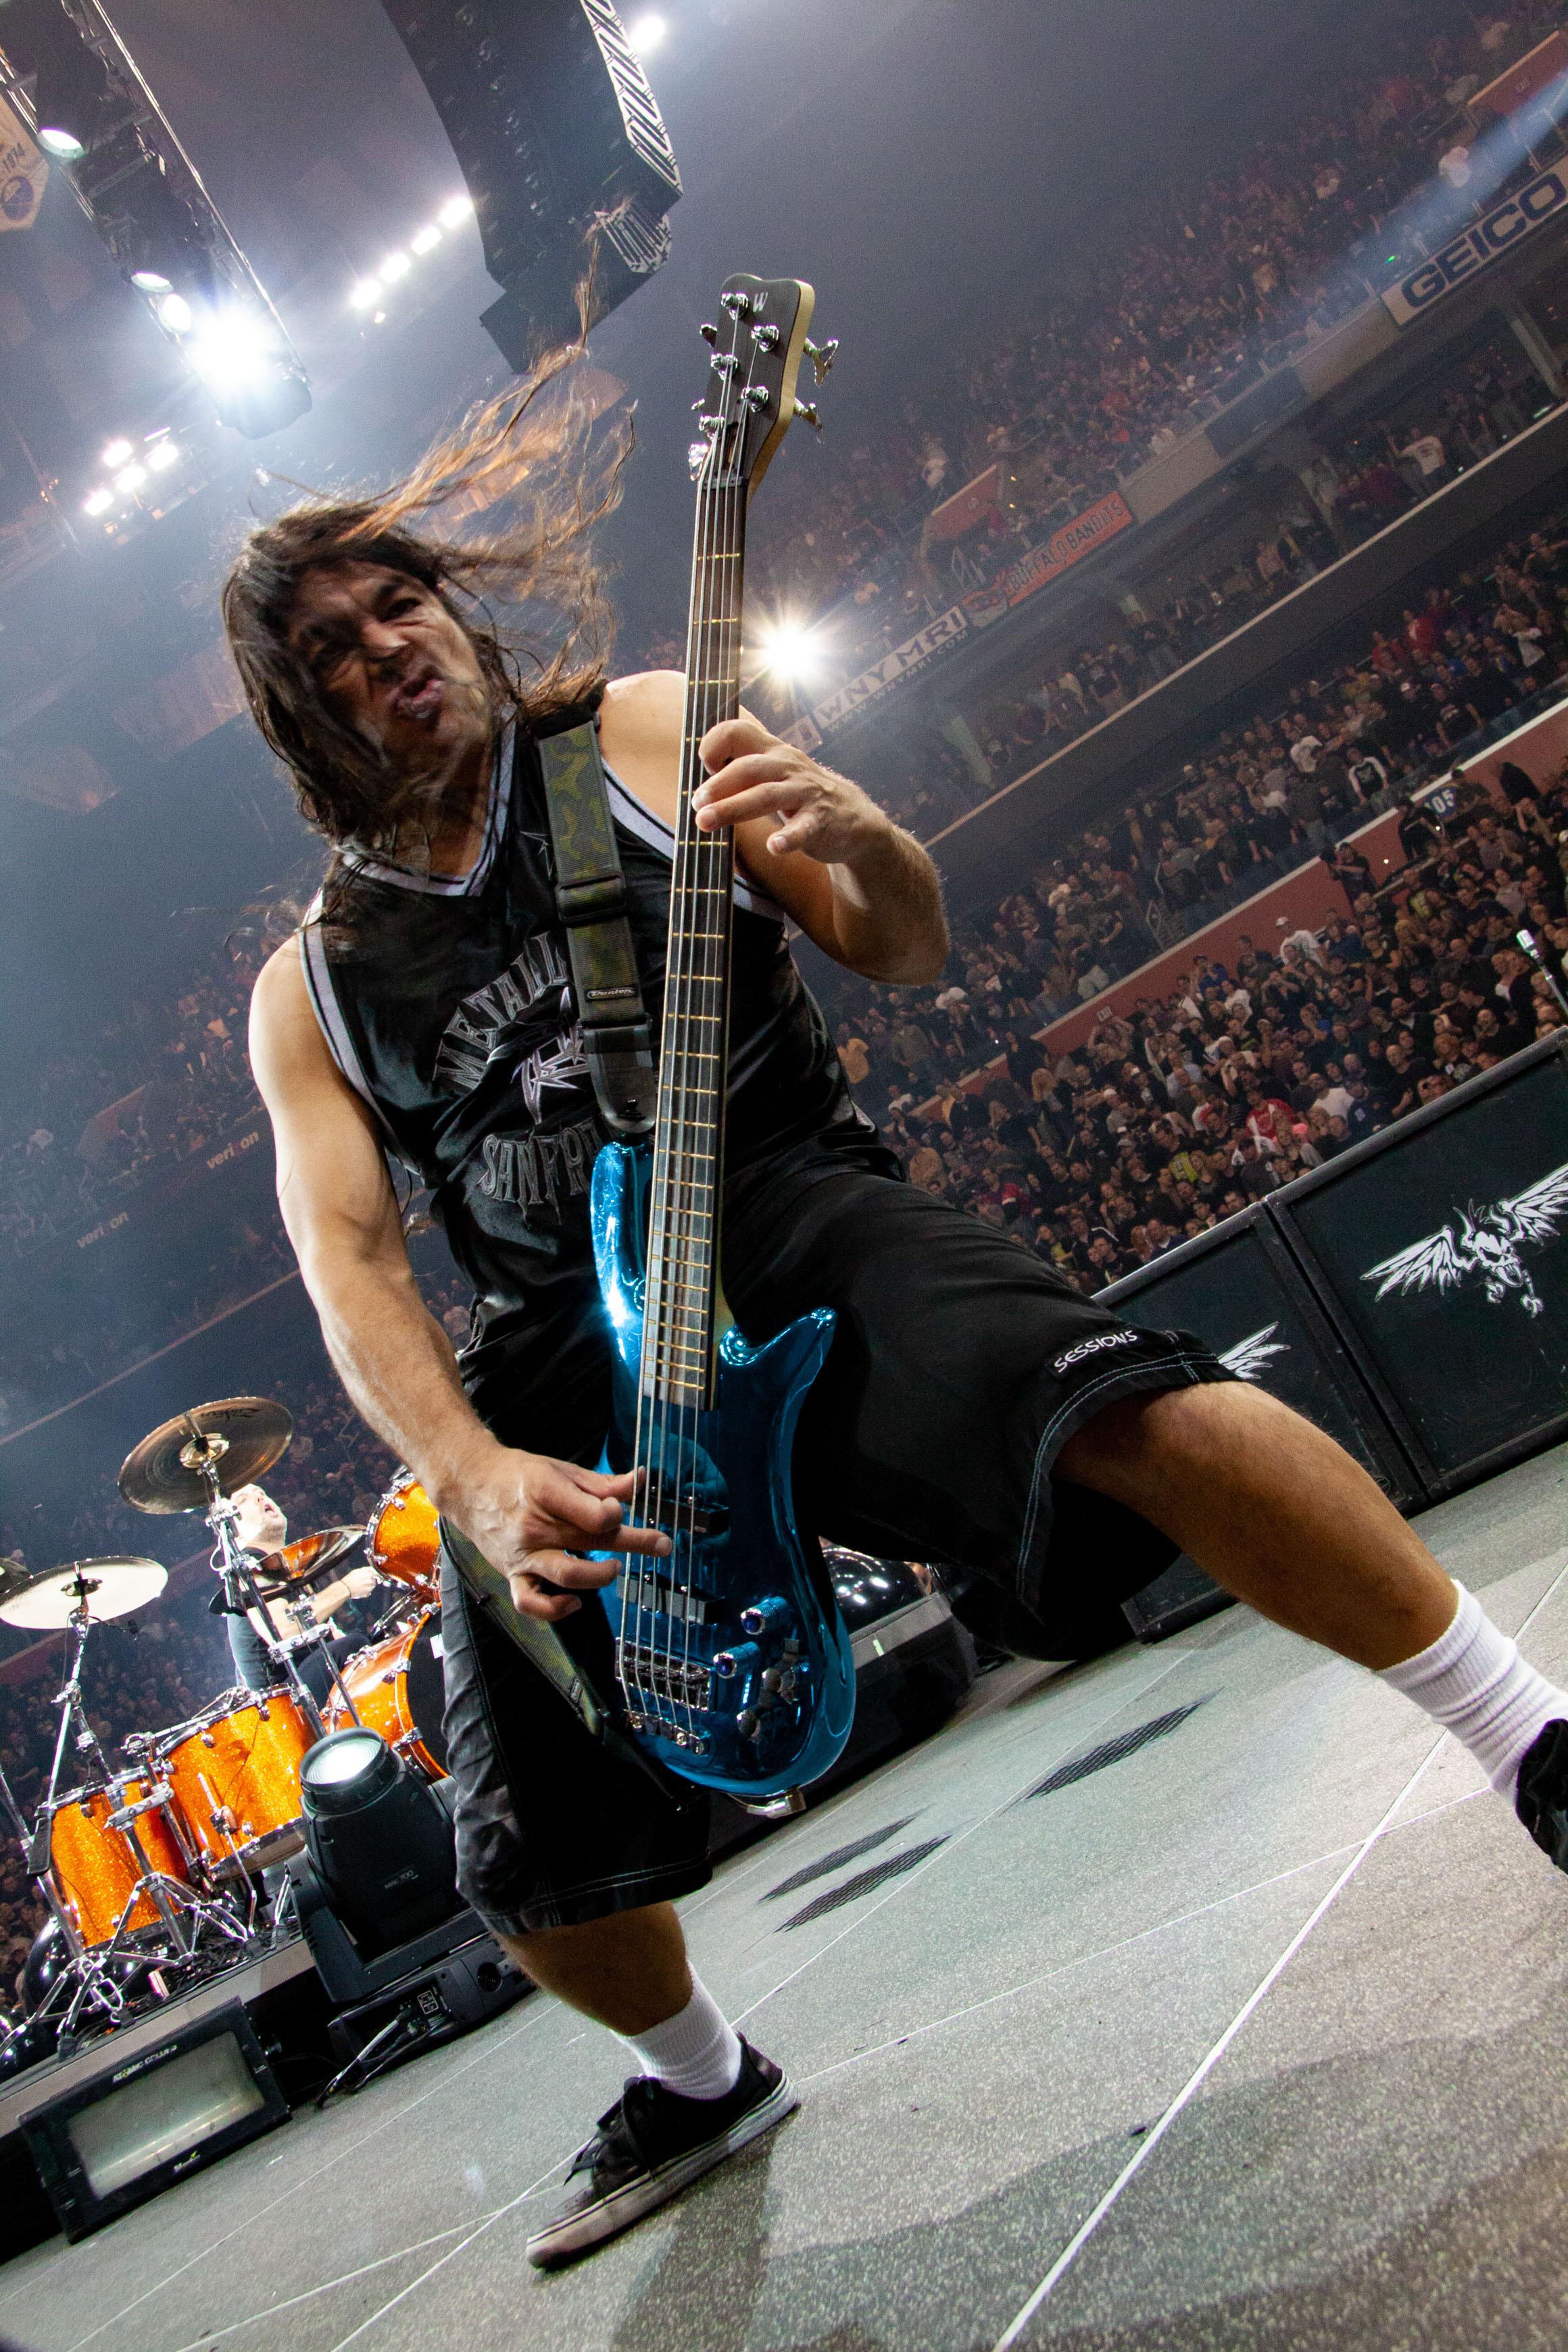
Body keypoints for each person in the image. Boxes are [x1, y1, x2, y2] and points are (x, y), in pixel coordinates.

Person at [225, 362, 1568, 2274]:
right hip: (556, 1357)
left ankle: (1529, 1740)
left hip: (781, 1206)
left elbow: (905, 943)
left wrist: (861, 838)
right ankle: (703, 2076)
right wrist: (470, 1473)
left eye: (400, 604)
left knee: (1131, 1407)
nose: (389, 651)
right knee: (525, 1857)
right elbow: (351, 1263)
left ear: (454, 606)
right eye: (336, 653)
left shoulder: (633, 732)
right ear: (307, 717)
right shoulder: (314, 988)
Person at [220, 1484, 379, 1700]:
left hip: (306, 1677)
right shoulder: (250, 1570)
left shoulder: (287, 1567)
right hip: (285, 1699)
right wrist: (345, 1588)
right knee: (352, 1646)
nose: (259, 1498)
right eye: (243, 1500)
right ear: (235, 1537)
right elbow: (284, 1631)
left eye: (262, 1493)